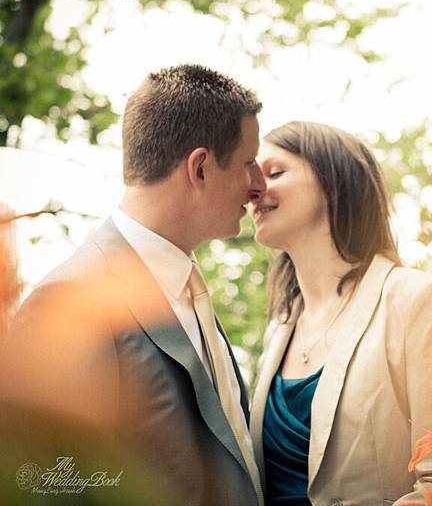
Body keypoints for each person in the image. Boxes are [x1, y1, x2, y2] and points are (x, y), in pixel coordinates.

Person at [0, 64, 266, 506]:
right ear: (199, 168)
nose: (256, 185)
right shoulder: (68, 301)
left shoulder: (187, 282)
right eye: (247, 163)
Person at [249, 121, 432, 506]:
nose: (254, 188)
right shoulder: (278, 329)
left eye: (274, 172)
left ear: (333, 181)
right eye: (252, 176)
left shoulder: (419, 299)